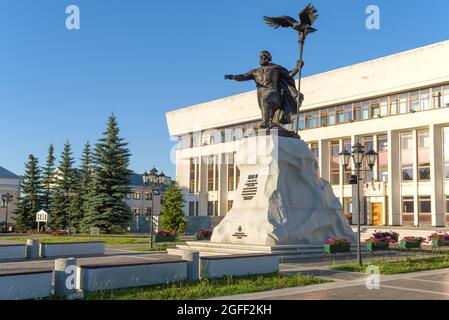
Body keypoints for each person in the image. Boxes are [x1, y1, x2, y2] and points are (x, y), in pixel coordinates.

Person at [225, 50, 304, 129]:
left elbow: (289, 75)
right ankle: (270, 122)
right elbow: (244, 76)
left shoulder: (275, 68)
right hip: (261, 94)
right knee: (264, 104)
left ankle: (265, 122)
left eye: (264, 58)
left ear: (268, 59)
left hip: (274, 93)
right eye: (261, 58)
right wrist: (233, 77)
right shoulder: (255, 72)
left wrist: (297, 68)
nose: (262, 60)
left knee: (265, 99)